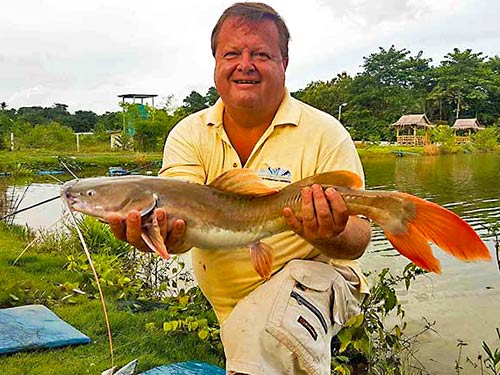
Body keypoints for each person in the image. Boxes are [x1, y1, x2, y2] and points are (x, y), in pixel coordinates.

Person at [109, 2, 371, 374]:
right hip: (230, 303)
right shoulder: (189, 134)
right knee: (251, 337)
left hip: (318, 279)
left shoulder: (325, 132)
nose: (244, 64)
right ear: (216, 62)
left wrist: (329, 234)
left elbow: (358, 240)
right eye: (231, 53)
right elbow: (180, 228)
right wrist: (159, 233)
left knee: (268, 335)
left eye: (261, 54)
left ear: (284, 63)